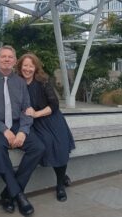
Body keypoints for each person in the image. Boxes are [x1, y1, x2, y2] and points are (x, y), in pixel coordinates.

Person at [0, 45, 45, 216]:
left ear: (15, 61)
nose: (7, 59)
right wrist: (3, 130)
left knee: (38, 147)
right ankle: (20, 196)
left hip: (17, 124)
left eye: (10, 57)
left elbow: (27, 109)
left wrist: (23, 131)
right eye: (3, 56)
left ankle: (8, 193)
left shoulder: (20, 82)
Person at [15, 53, 75, 202]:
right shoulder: (17, 82)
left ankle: (60, 184)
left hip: (50, 118)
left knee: (59, 145)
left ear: (35, 67)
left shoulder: (43, 81)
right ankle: (63, 175)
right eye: (25, 65)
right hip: (34, 123)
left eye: (31, 66)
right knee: (46, 143)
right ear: (20, 67)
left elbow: (54, 105)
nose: (28, 69)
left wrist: (36, 113)